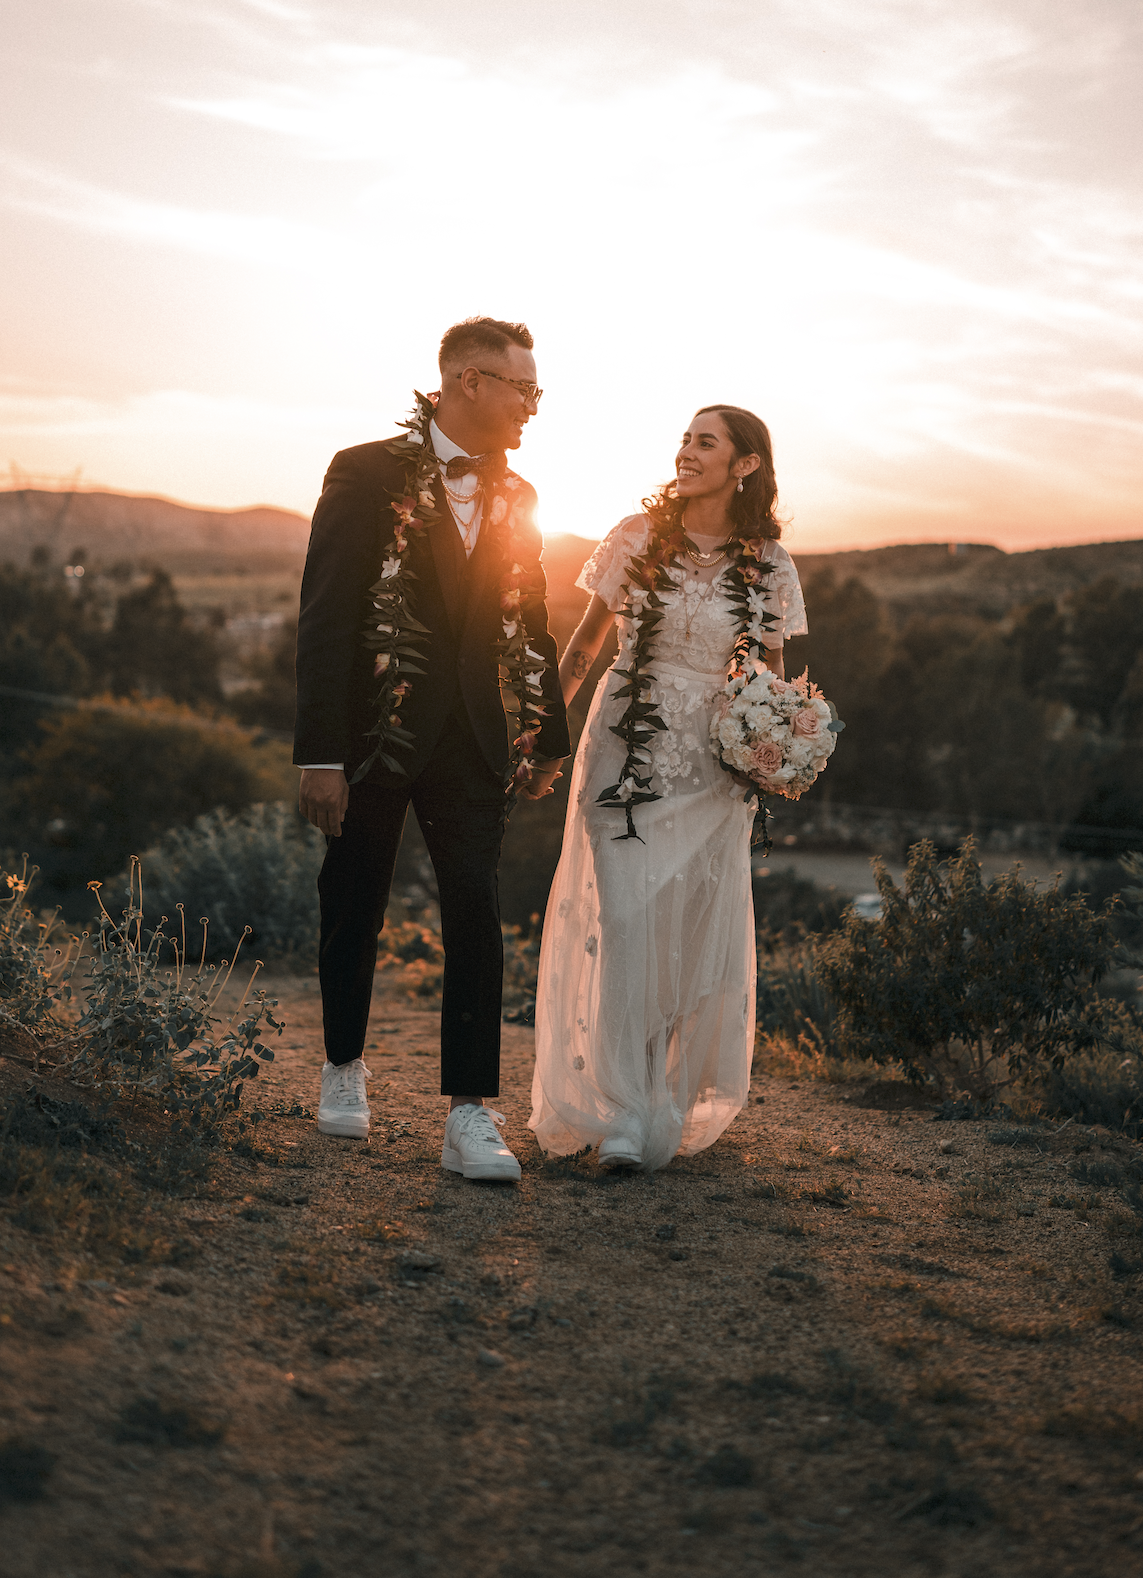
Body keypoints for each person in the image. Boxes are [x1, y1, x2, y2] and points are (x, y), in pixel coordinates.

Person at [294, 316, 570, 1181]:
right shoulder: (364, 472)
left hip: (474, 739)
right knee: (354, 900)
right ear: (468, 381)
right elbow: (326, 615)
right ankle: (343, 1064)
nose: (532, 405)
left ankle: (470, 1112)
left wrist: (546, 735)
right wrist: (319, 754)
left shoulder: (519, 494)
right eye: (523, 388)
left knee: (475, 914)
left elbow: (530, 619)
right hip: (375, 733)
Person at [529, 407, 807, 1171]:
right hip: (624, 747)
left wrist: (773, 755)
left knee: (678, 932)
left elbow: (771, 681)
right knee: (626, 919)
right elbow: (583, 647)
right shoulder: (635, 538)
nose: (686, 451)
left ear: (744, 465)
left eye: (704, 442)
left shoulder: (770, 565)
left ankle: (655, 1090)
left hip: (711, 770)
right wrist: (543, 745)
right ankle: (623, 1105)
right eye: (684, 439)